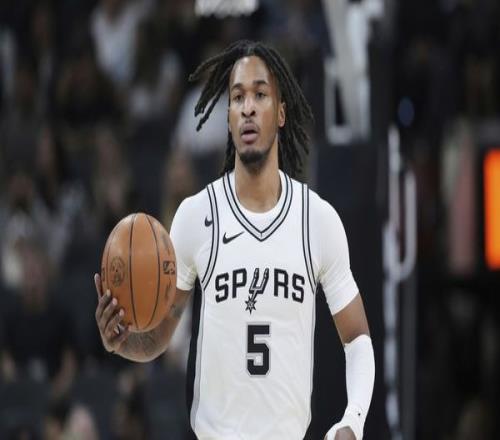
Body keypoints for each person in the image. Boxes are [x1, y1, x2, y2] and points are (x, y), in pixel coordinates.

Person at [94, 40, 375, 440]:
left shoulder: (317, 220)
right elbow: (156, 338)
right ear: (227, 117)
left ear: (281, 113)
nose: (248, 107)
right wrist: (120, 342)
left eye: (260, 95)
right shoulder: (195, 216)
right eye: (238, 97)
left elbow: (357, 338)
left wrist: (354, 419)